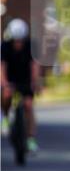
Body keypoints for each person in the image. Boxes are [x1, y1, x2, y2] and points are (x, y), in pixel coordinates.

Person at [1, 18, 42, 152]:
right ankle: (5, 117)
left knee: (28, 105)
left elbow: (34, 66)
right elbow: (2, 67)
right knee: (6, 96)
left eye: (21, 40)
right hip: (10, 78)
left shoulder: (31, 46)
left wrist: (35, 82)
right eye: (15, 40)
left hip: (25, 79)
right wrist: (5, 83)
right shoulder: (5, 47)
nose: (18, 43)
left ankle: (30, 139)